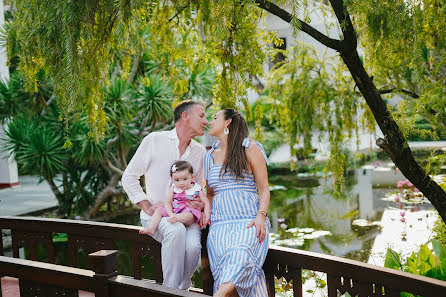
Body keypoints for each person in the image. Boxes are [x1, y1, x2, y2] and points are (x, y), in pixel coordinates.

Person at [121, 100, 209, 290]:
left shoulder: (200, 152)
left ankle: (181, 289)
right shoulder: (155, 140)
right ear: (185, 116)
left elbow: (200, 187)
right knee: (175, 230)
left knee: (193, 248)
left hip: (188, 217)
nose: (206, 121)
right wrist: (146, 205)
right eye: (202, 116)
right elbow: (129, 176)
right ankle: (171, 291)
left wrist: (199, 204)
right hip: (156, 216)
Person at [204, 108, 271, 297]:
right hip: (220, 226)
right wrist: (206, 211)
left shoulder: (250, 148)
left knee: (241, 255)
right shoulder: (208, 157)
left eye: (215, 118)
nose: (210, 121)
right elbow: (210, 193)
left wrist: (261, 216)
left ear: (227, 123)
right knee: (235, 271)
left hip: (249, 221)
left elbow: (264, 189)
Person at [139, 160, 211, 236]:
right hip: (174, 209)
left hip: (188, 210)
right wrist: (170, 213)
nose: (181, 183)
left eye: (185, 179)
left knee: (190, 215)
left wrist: (207, 215)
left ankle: (177, 218)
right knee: (159, 210)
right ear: (172, 179)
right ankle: (151, 228)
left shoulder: (197, 189)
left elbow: (206, 203)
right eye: (177, 180)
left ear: (192, 177)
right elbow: (168, 202)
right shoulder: (173, 189)